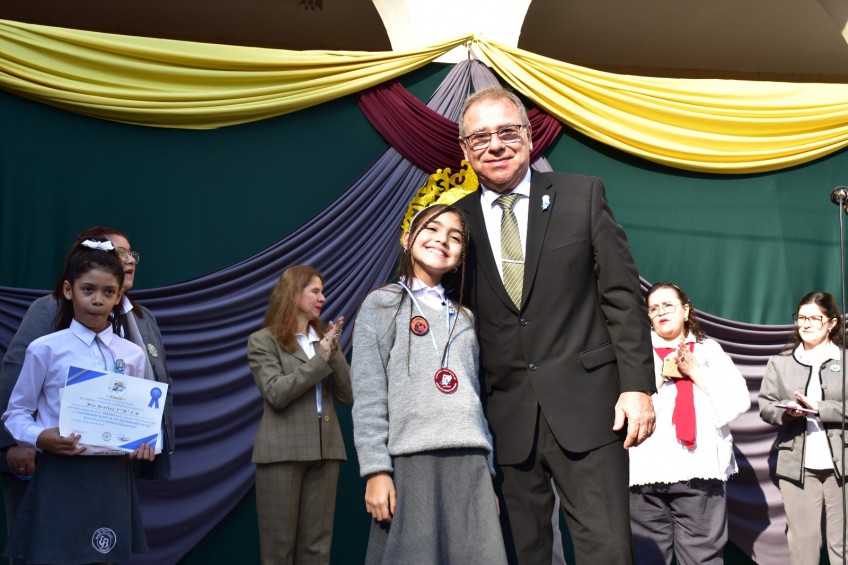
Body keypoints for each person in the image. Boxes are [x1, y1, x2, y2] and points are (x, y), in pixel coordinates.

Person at [452, 85, 656, 564]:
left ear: (528, 136)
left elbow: (622, 297)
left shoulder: (581, 195)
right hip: (505, 420)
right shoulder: (455, 224)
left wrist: (637, 387)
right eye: (480, 137)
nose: (495, 145)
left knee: (607, 550)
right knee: (521, 554)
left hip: (592, 410)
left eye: (507, 132)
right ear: (465, 149)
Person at [351, 204, 507, 565]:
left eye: (455, 237)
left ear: (460, 258)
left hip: (471, 463)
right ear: (407, 239)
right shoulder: (382, 304)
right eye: (432, 229)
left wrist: (488, 472)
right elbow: (369, 394)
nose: (442, 240)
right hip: (412, 461)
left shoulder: (465, 317)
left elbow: (475, 399)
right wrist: (376, 470)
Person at [0, 226, 174, 547]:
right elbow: (16, 404)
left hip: (113, 471)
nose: (97, 300)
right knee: (52, 551)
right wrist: (32, 438)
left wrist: (148, 439)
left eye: (108, 292)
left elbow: (144, 403)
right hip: (58, 469)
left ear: (117, 295)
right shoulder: (46, 343)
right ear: (69, 290)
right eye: (88, 290)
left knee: (104, 554)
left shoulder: (136, 340)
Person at [629, 282, 750, 564]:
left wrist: (695, 371)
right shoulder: (637, 352)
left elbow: (737, 400)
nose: (661, 312)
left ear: (685, 310)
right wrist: (662, 372)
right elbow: (624, 403)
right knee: (647, 558)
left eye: (668, 306)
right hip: (646, 471)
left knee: (702, 558)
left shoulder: (709, 350)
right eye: (654, 308)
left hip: (699, 471)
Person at [247, 265, 352, 565]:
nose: (323, 298)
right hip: (283, 452)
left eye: (323, 291)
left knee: (317, 549)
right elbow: (276, 393)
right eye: (315, 291)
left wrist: (334, 352)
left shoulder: (324, 340)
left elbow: (347, 395)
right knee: (278, 549)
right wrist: (320, 360)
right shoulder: (263, 341)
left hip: (326, 450)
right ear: (293, 294)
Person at [758, 291, 846, 565]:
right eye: (802, 318)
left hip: (842, 464)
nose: (806, 324)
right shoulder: (780, 362)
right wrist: (788, 410)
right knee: (803, 543)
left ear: (831, 323)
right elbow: (766, 406)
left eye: (814, 318)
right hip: (797, 466)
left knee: (842, 542)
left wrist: (821, 408)